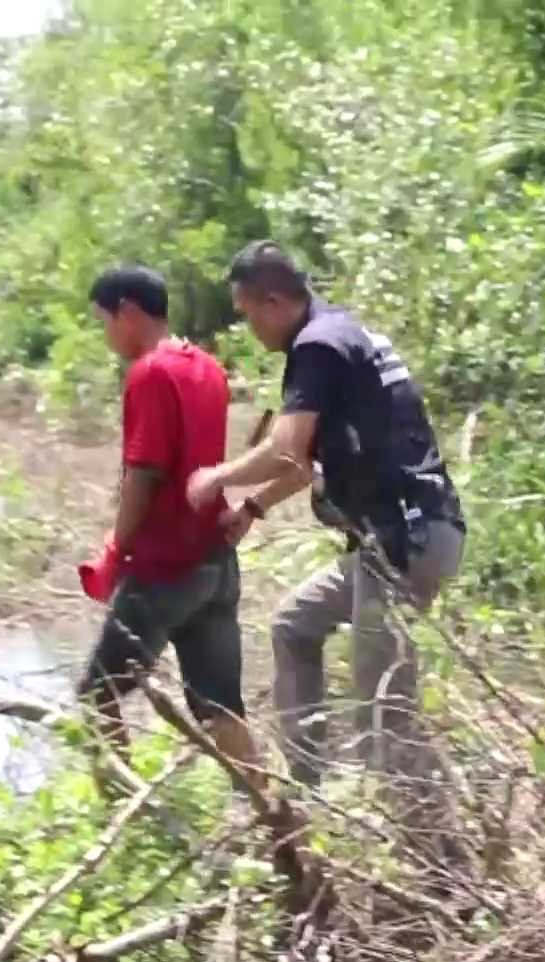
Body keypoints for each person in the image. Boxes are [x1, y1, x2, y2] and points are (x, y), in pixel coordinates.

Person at [187, 241, 466, 792]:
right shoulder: (341, 332)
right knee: (295, 626)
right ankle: (309, 791)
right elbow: (307, 460)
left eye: (246, 315)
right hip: (400, 538)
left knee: (385, 714)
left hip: (403, 543)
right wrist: (253, 507)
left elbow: (287, 449)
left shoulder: (316, 346)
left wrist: (217, 478)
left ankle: (438, 859)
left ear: (272, 301)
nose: (250, 330)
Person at [75, 265, 265, 798]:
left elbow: (146, 471)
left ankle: (122, 820)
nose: (107, 335)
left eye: (105, 321)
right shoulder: (207, 367)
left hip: (167, 569)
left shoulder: (150, 373)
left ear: (128, 312)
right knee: (220, 708)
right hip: (215, 562)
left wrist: (118, 548)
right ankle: (277, 828)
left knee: (96, 700)